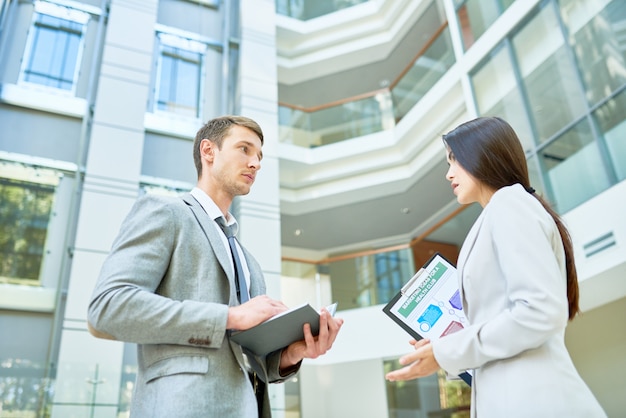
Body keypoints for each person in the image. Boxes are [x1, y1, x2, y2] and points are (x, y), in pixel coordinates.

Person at [87, 115, 343, 418]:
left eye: (259, 156)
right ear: (208, 151)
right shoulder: (165, 213)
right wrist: (231, 316)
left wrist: (292, 354)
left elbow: (249, 359)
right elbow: (106, 309)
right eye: (245, 149)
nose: (256, 163)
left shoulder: (249, 262)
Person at [385, 116, 606, 417]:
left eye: (454, 160)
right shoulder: (505, 211)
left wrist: (447, 351)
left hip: (533, 401)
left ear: (480, 156)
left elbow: (539, 311)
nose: (448, 174)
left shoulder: (508, 204)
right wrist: (442, 349)